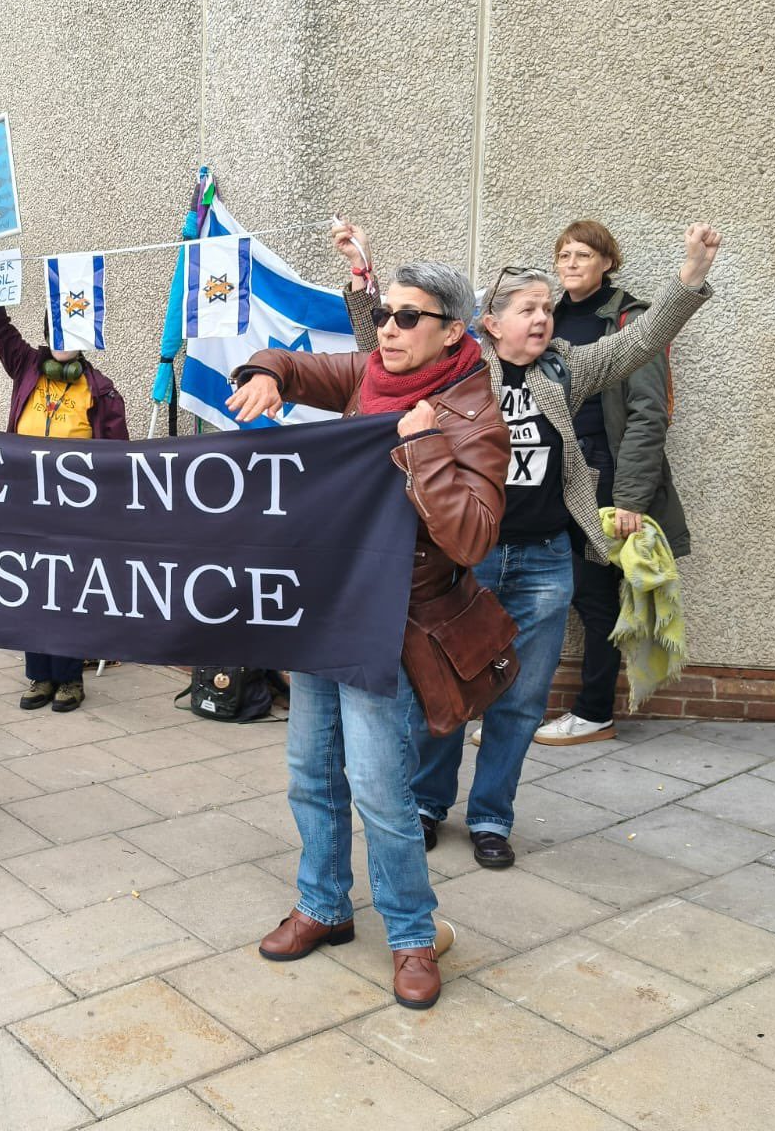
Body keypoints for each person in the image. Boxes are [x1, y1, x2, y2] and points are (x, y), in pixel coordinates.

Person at [223, 226, 509, 1011]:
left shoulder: (474, 415)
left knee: (382, 790)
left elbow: (476, 536)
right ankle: (322, 906)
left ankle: (413, 936)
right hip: (325, 608)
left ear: (453, 329)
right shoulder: (369, 372)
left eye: (408, 316)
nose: (387, 327)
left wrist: (424, 452)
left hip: (392, 627)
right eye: (384, 312)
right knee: (309, 772)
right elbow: (293, 361)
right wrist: (265, 374)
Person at [405, 224, 722, 871]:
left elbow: (641, 341)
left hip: (547, 558)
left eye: (548, 308)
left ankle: (491, 817)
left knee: (520, 699)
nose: (544, 318)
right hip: (470, 559)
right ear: (489, 324)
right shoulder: (459, 374)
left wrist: (688, 276)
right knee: (448, 685)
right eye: (529, 309)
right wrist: (362, 284)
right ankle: (425, 806)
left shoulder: (565, 369)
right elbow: (378, 352)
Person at [533, 219, 691, 746]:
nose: (571, 263)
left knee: (593, 592)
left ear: (606, 262)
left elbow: (649, 415)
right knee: (534, 585)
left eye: (582, 254)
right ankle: (519, 711)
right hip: (546, 468)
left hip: (599, 472)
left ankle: (595, 710)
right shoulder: (544, 319)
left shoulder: (626, 319)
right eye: (564, 255)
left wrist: (629, 499)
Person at [0, 232, 128, 714]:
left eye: (73, 330)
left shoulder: (101, 390)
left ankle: (69, 678)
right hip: (26, 503)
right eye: (57, 328)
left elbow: (117, 458)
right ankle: (37, 675)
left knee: (69, 589)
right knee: (31, 587)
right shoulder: (26, 368)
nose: (64, 340)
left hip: (77, 510)